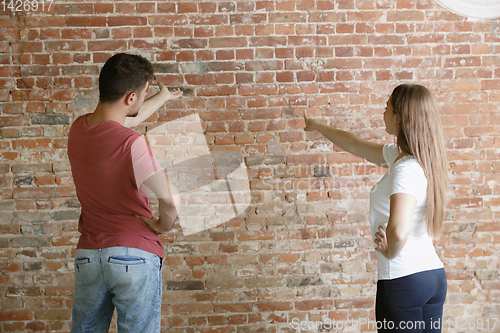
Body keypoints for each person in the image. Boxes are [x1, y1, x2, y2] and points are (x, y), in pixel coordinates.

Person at [304, 84, 448, 333]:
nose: (383, 113)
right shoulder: (415, 159)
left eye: (386, 108)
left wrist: (391, 251)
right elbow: (354, 143)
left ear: (399, 117)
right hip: (432, 276)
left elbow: (399, 230)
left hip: (404, 281)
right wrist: (316, 125)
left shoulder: (405, 169)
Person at [68, 53, 183, 332]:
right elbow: (170, 198)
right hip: (134, 254)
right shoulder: (132, 143)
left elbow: (123, 118)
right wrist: (161, 225)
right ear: (131, 98)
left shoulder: (78, 129)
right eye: (143, 94)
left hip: (89, 256)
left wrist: (162, 96)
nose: (143, 99)